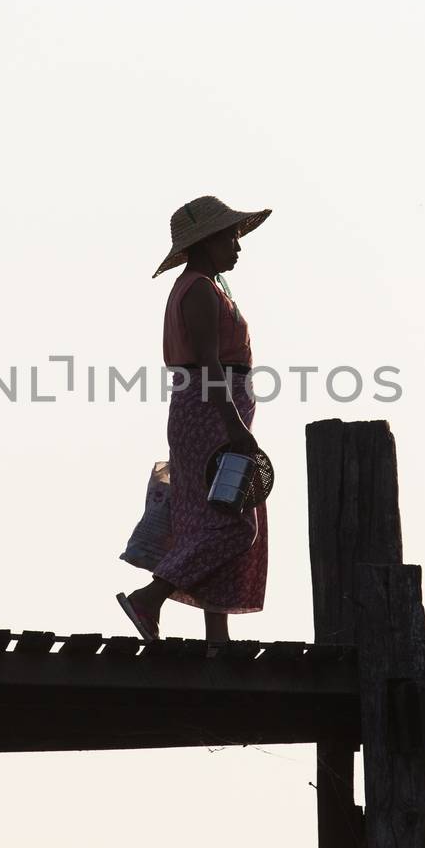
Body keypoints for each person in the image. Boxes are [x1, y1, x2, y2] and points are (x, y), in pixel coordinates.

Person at [116, 196, 272, 643]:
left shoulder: (209, 284)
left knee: (210, 514)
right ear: (205, 242)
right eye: (229, 237)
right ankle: (152, 595)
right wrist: (235, 428)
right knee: (234, 521)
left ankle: (215, 636)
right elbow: (208, 364)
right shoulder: (200, 288)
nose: (237, 246)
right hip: (209, 413)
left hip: (208, 411)